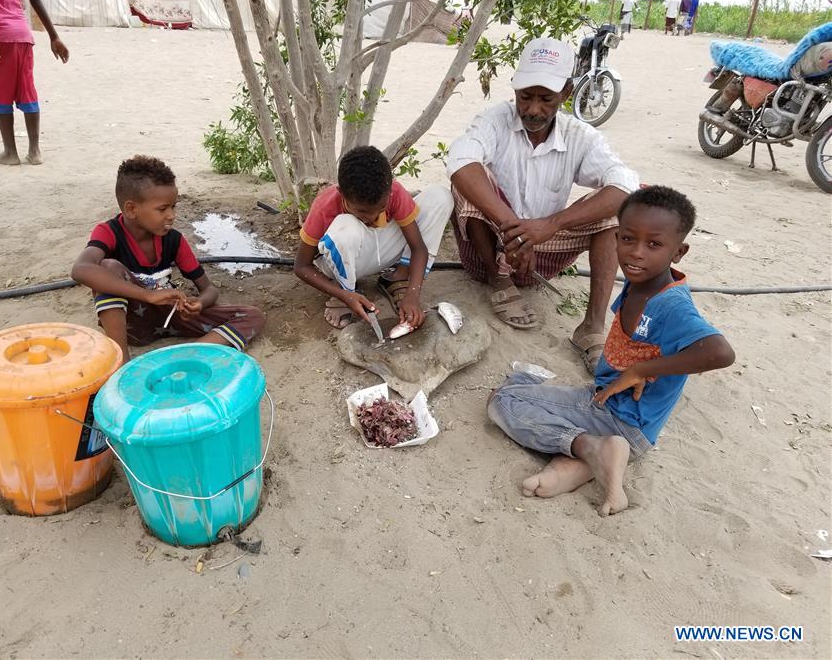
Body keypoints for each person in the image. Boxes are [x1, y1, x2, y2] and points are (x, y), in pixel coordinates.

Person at [487, 186, 735, 516]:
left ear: (679, 252)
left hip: (620, 419)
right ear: (616, 237)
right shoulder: (643, 281)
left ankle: (588, 447)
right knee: (520, 387)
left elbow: (720, 353)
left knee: (503, 401)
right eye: (628, 239)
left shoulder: (671, 305)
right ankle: (591, 461)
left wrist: (640, 371)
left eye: (654, 244)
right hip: (619, 415)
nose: (637, 253)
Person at [447, 37, 639, 373]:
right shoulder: (495, 120)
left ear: (566, 93)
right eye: (526, 97)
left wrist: (549, 225)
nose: (533, 109)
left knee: (616, 212)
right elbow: (461, 162)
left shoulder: (580, 136)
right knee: (467, 181)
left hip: (544, 259)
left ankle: (592, 327)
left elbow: (625, 185)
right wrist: (516, 230)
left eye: (545, 99)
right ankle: (499, 283)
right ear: (515, 91)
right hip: (488, 252)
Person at [71, 156, 265, 362]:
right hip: (132, 323)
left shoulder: (174, 240)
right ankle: (121, 364)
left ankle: (184, 356)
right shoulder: (108, 232)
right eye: (162, 209)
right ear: (131, 209)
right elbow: (81, 269)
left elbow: (209, 289)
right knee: (108, 267)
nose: (171, 215)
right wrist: (146, 295)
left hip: (171, 316)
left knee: (252, 315)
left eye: (173, 206)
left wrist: (199, 303)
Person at [295, 145, 453, 329]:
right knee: (345, 227)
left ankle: (398, 277)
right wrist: (343, 295)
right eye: (362, 211)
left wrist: (413, 294)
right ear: (342, 194)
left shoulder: (394, 192)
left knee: (441, 197)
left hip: (380, 251)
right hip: (341, 260)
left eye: (381, 207)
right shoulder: (325, 206)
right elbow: (301, 266)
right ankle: (346, 290)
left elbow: (418, 247)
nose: (372, 217)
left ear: (389, 192)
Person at [0, 0, 69, 165]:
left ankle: (10, 152)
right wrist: (54, 36)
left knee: (0, 91)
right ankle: (35, 151)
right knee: (27, 90)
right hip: (22, 33)